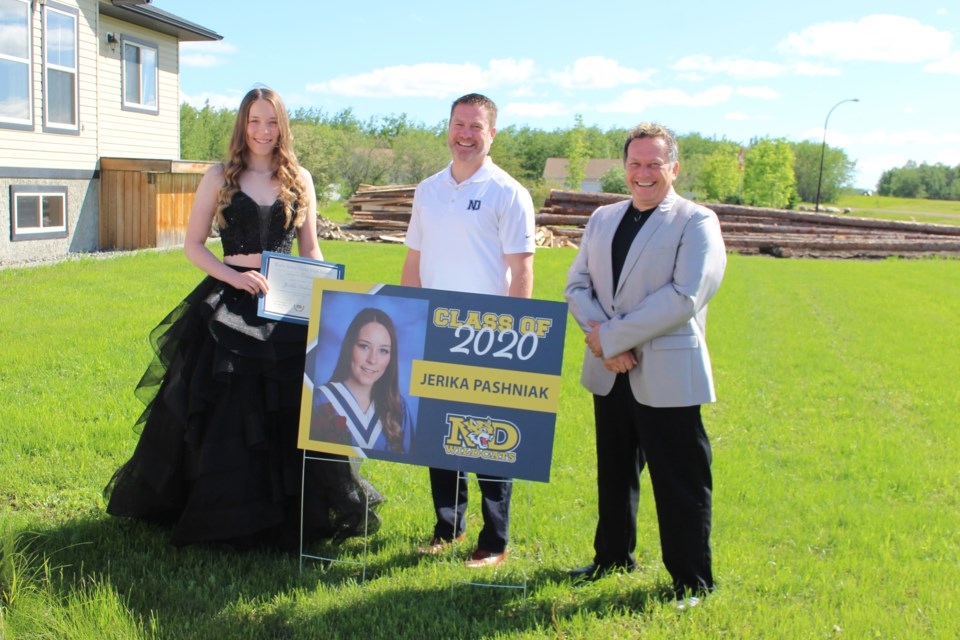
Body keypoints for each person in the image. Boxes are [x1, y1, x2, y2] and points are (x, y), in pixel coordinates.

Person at [104, 86, 382, 551]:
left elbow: (311, 249)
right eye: (254, 121)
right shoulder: (219, 176)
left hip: (288, 304)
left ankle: (288, 518)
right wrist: (233, 279)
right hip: (230, 303)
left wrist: (330, 291)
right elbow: (194, 245)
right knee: (229, 409)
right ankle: (221, 513)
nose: (262, 131)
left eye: (271, 122)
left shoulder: (300, 178)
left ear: (282, 127)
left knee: (293, 408)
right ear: (242, 124)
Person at [563, 123, 726, 606]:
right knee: (613, 474)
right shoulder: (603, 217)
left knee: (680, 482)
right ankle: (612, 557)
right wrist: (603, 344)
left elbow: (684, 296)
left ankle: (693, 582)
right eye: (635, 163)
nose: (643, 173)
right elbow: (577, 287)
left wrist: (610, 337)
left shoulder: (696, 221)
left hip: (667, 375)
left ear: (674, 168)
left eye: (655, 163)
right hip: (609, 371)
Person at [401, 93, 535, 568]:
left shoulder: (509, 192)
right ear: (449, 127)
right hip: (436, 328)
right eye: (459, 124)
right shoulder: (428, 189)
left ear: (491, 133)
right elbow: (413, 261)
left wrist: (514, 339)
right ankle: (447, 526)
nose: (465, 134)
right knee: (439, 434)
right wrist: (408, 320)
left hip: (487, 334)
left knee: (488, 438)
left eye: (476, 126)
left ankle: (494, 541)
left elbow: (521, 272)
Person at [312, 307, 415, 454]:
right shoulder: (318, 400)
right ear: (349, 347)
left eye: (383, 350)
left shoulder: (399, 408)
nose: (372, 360)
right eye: (364, 346)